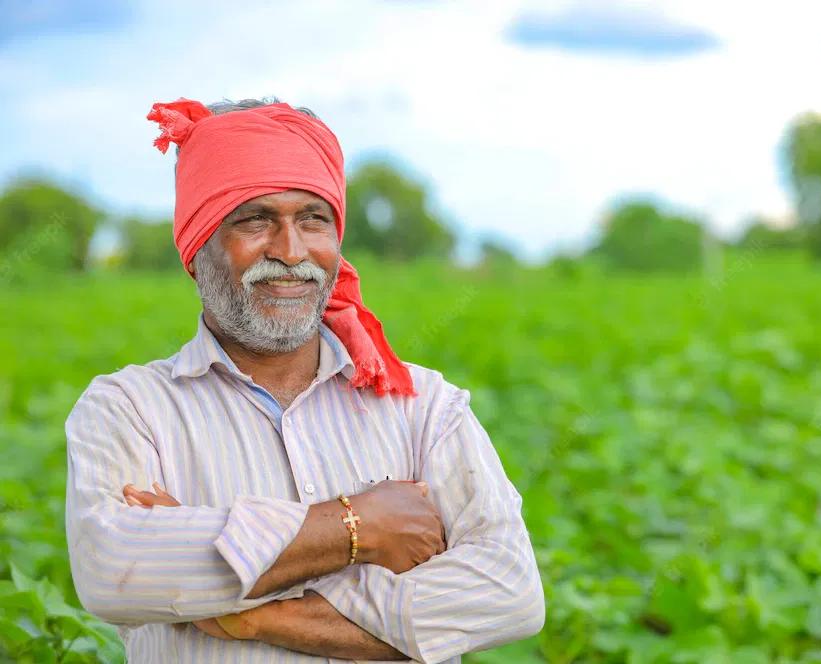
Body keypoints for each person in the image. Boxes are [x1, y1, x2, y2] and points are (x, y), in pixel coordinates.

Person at [64, 97, 545, 663]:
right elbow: (115, 571)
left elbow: (510, 593)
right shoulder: (129, 409)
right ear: (197, 249)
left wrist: (255, 614)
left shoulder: (422, 405)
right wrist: (359, 526)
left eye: (312, 219)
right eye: (255, 219)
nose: (291, 252)